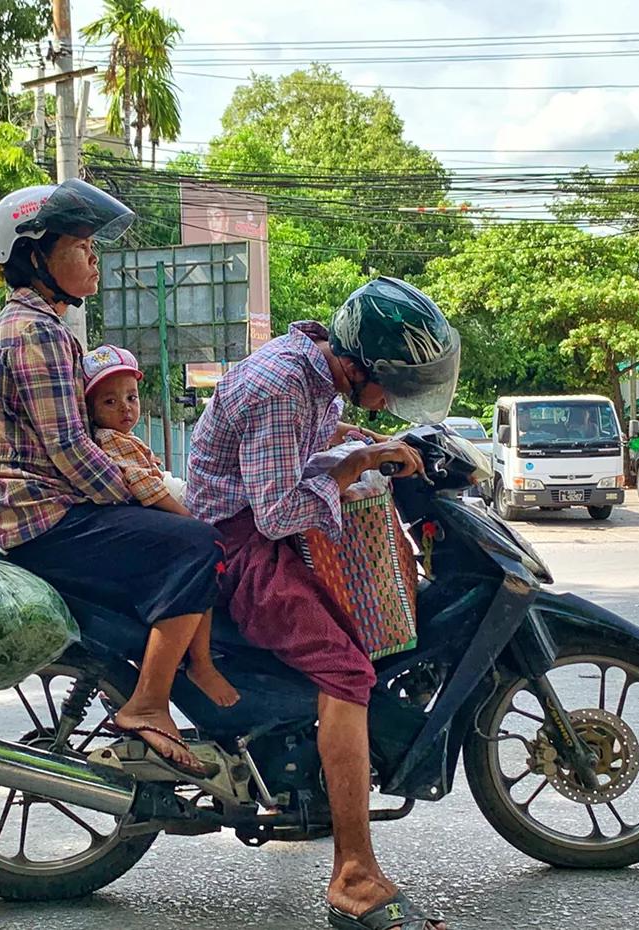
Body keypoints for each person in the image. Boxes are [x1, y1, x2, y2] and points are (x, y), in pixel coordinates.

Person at [186, 276, 458, 930]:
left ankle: (309, 781)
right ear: (362, 365)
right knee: (347, 672)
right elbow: (278, 511)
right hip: (242, 547)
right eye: (391, 382)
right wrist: (356, 460)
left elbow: (313, 432)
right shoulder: (282, 385)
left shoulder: (312, 373)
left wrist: (363, 440)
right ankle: (354, 877)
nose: (394, 397)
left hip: (257, 528)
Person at [0, 179, 224, 779]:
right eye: (79, 245)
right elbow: (71, 452)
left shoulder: (35, 326)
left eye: (93, 245)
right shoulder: (37, 333)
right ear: (35, 256)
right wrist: (158, 496)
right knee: (198, 544)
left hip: (37, 512)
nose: (93, 258)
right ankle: (149, 704)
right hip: (39, 518)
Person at [81, 342, 239, 708]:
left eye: (131, 397)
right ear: (90, 409)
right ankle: (198, 664)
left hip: (146, 522)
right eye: (110, 401)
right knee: (204, 557)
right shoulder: (108, 441)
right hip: (145, 527)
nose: (125, 408)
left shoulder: (126, 439)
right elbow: (146, 486)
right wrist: (190, 520)